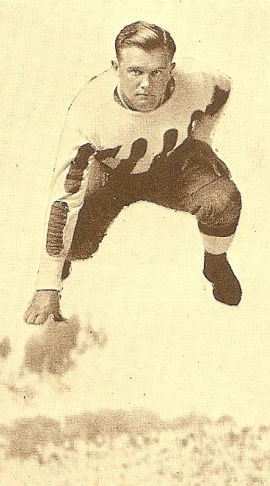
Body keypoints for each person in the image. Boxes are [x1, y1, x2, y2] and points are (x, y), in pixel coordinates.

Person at [24, 21, 242, 326]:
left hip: (170, 165)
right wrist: (47, 283)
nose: (146, 85)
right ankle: (63, 264)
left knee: (223, 200)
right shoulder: (89, 111)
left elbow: (223, 88)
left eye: (157, 73)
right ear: (116, 67)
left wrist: (203, 137)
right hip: (112, 175)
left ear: (171, 68)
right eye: (135, 71)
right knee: (77, 244)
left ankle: (215, 263)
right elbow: (64, 197)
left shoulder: (195, 79)